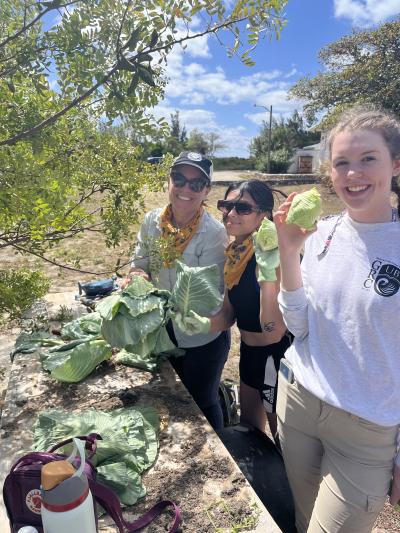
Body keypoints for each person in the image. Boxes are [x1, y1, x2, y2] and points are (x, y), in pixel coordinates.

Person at [274, 107, 400, 532]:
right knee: (303, 518)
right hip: (299, 403)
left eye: (368, 159)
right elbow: (299, 326)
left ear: (395, 164)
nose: (353, 174)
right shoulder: (322, 232)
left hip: (368, 431)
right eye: (342, 163)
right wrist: (289, 252)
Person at [178, 179, 292, 439]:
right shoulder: (235, 254)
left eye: (242, 208)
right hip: (250, 353)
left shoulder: (273, 254)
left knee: (282, 442)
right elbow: (229, 314)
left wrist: (267, 281)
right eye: (227, 206)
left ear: (263, 214)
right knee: (250, 432)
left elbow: (274, 331)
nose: (230, 214)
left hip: (278, 356)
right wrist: (205, 323)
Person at [124, 151, 230, 430]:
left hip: (202, 337)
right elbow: (139, 264)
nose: (185, 189)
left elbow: (209, 294)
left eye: (196, 184)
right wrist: (138, 279)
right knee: (172, 400)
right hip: (163, 331)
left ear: (206, 190)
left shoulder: (214, 233)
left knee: (204, 401)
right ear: (169, 181)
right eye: (179, 179)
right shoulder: (151, 222)